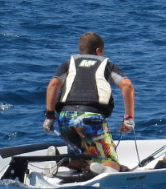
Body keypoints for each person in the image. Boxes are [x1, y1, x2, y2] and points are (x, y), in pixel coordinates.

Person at [44, 32, 135, 173]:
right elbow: (127, 86)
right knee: (111, 161)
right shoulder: (107, 66)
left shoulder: (68, 65)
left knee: (80, 157)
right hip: (90, 118)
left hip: (65, 118)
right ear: (98, 51)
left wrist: (50, 116)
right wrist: (128, 118)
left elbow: (53, 85)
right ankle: (104, 167)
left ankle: (60, 160)